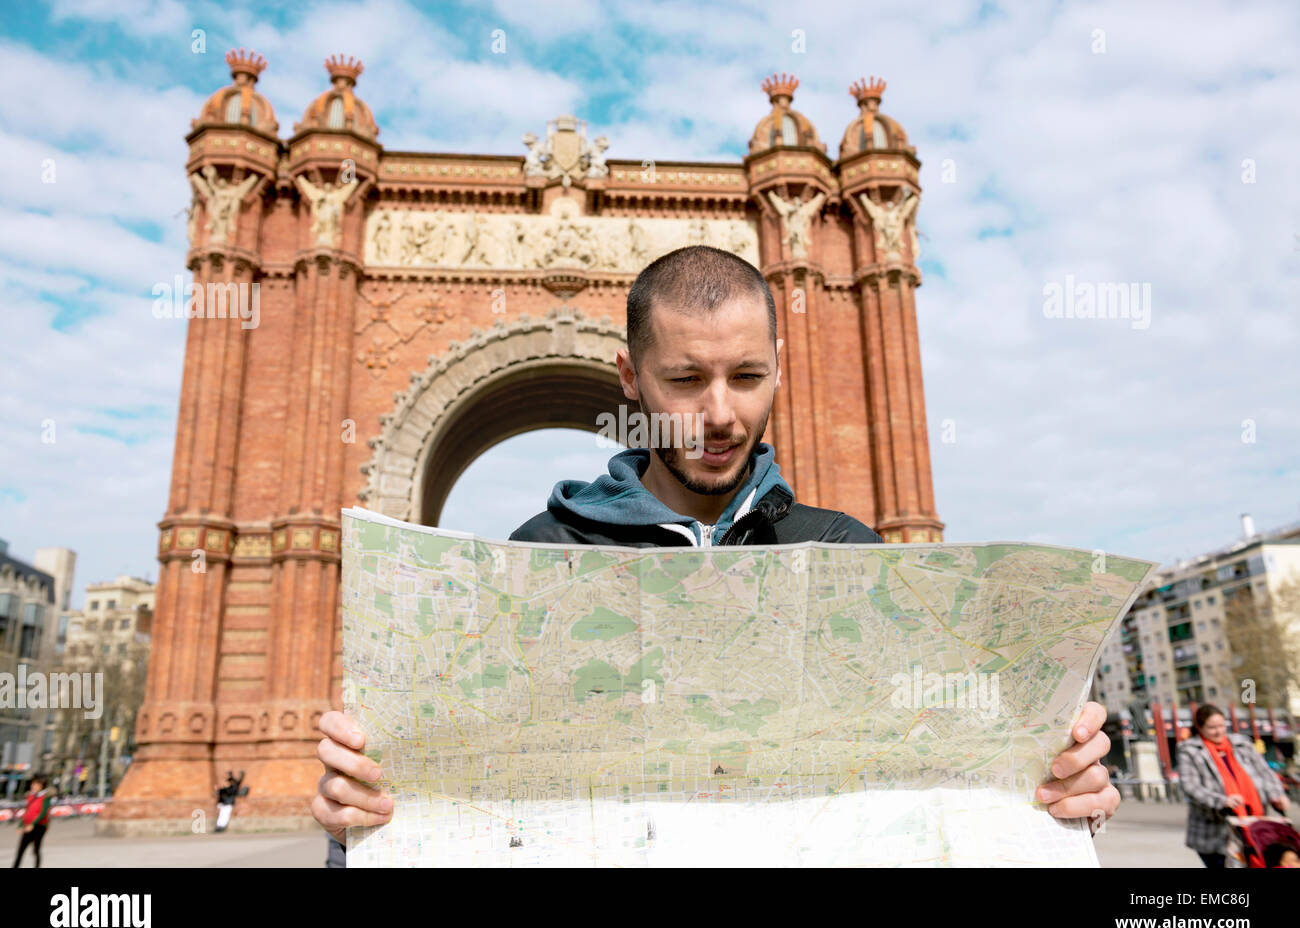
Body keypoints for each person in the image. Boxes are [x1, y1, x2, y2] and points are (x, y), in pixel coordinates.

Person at [310, 245, 1122, 848]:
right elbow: (474, 806)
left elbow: (936, 783)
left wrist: (1055, 790)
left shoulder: (849, 553)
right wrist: (363, 827)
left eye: (746, 375)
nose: (721, 414)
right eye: (687, 379)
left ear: (779, 367)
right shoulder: (539, 555)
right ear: (630, 377)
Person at [1176, 703, 1290, 867]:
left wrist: (1277, 795)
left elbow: (1265, 773)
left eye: (1222, 725)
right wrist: (1222, 800)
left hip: (1252, 826)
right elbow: (1190, 786)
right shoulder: (1189, 749)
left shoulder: (1241, 743)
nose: (1219, 731)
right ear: (1199, 728)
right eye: (1212, 727)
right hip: (1214, 830)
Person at [12, 775, 53, 867]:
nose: (34, 786)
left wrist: (32, 824)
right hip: (28, 825)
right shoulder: (30, 796)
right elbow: (27, 811)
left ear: (42, 786)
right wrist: (20, 825)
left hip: (40, 826)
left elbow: (43, 812)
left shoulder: (46, 797)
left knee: (36, 849)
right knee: (20, 850)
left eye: (37, 784)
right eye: (33, 784)